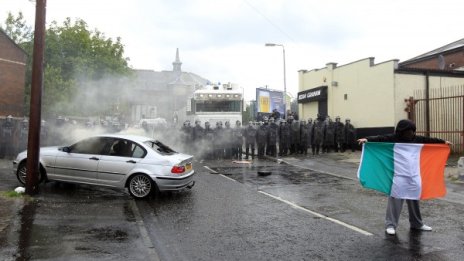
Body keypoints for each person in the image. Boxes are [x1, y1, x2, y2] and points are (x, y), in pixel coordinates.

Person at [357, 119, 451, 236]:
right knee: (395, 199)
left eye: (412, 131)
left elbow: (429, 140)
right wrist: (368, 140)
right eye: (408, 131)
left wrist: (443, 142)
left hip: (413, 175)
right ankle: (390, 225)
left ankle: (417, 223)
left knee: (414, 198)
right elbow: (382, 138)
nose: (411, 133)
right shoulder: (394, 138)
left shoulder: (416, 140)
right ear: (401, 132)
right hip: (398, 176)